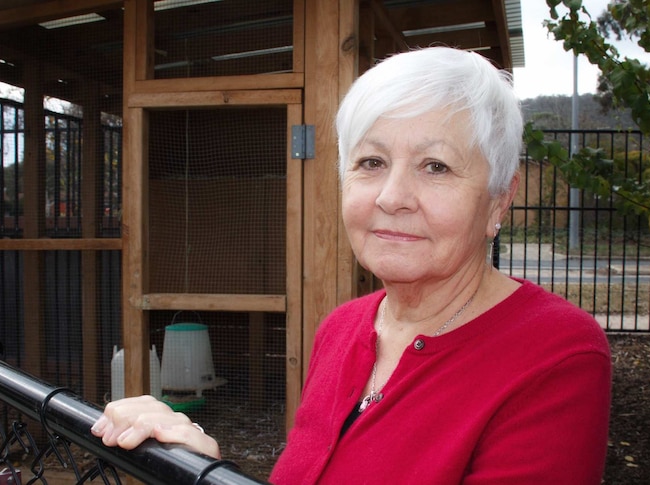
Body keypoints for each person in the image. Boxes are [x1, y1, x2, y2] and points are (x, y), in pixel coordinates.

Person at [91, 46, 612, 484]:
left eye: (436, 166)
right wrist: (201, 466)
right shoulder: (341, 329)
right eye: (371, 162)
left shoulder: (556, 355)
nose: (392, 196)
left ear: (499, 200)